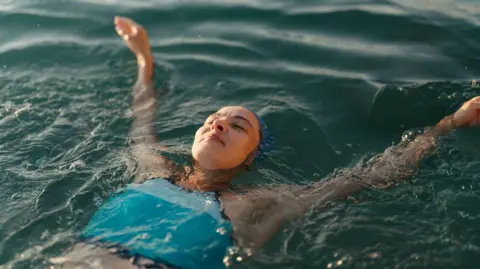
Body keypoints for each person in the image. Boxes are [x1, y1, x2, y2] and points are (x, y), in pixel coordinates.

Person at [50, 16, 480, 269]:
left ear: (252, 155)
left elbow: (367, 176)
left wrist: (447, 125)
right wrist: (144, 57)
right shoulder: (151, 167)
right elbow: (142, 114)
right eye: (213, 120)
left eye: (237, 126)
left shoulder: (253, 204)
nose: (218, 126)